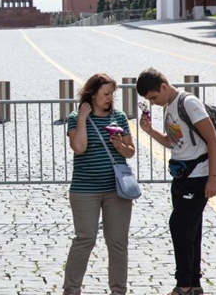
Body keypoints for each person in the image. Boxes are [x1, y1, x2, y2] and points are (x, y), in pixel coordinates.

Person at [136, 68, 216, 295]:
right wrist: (150, 131)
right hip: (181, 177)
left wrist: (213, 178)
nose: (152, 103)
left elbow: (212, 140)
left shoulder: (189, 103)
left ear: (163, 86)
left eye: (153, 97)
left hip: (198, 175)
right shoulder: (168, 107)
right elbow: (173, 142)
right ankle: (194, 284)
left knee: (179, 226)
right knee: (191, 229)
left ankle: (183, 285)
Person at [62, 73, 135, 295]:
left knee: (118, 243)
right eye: (105, 94)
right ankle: (71, 290)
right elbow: (79, 148)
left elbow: (130, 152)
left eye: (112, 94)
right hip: (85, 190)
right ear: (93, 94)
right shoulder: (76, 117)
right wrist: (83, 118)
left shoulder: (119, 117)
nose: (109, 98)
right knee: (85, 239)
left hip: (116, 191)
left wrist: (120, 145)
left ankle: (118, 291)